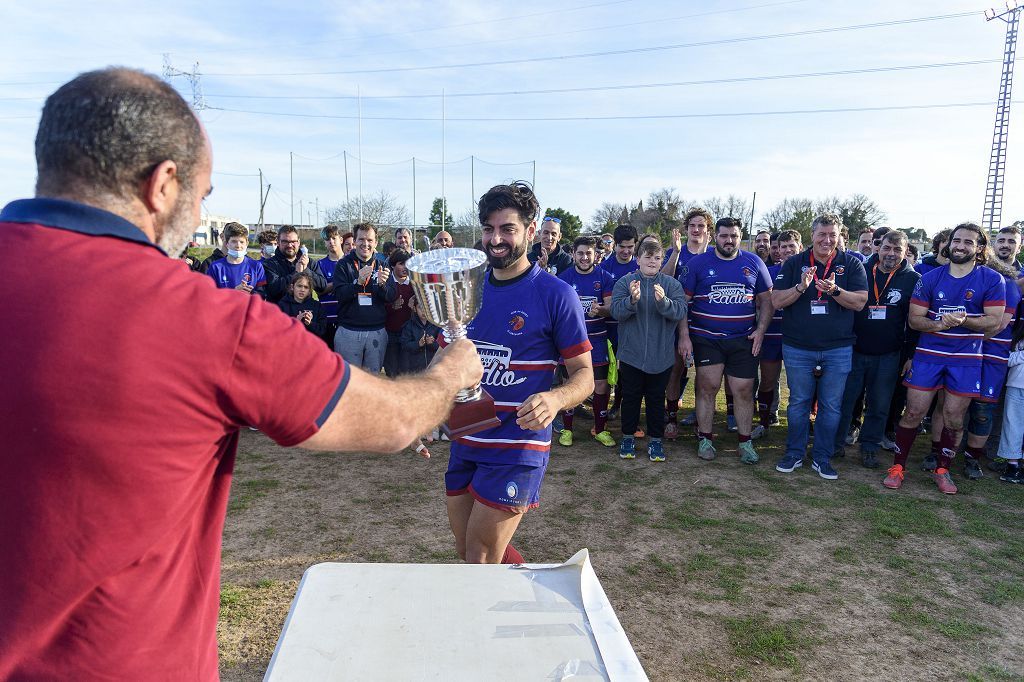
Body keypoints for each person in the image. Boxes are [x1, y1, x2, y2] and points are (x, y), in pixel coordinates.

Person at [0, 67, 483, 680]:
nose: (201, 209)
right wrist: (446, 378)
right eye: (202, 194)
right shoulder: (203, 320)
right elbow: (387, 423)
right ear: (163, 185)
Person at [444, 182, 593, 565]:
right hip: (467, 437)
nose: (496, 239)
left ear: (530, 231)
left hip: (517, 445)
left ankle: (490, 623)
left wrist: (556, 398)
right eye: (489, 229)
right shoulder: (466, 290)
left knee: (479, 555)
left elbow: (584, 376)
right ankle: (533, 598)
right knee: (467, 551)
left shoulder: (556, 294)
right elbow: (446, 362)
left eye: (507, 229)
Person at [884, 223, 1006, 495]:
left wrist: (964, 320)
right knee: (914, 411)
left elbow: (994, 322)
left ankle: (943, 469)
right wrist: (940, 324)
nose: (960, 246)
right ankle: (897, 467)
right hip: (929, 355)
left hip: (966, 357)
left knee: (953, 416)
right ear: (948, 244)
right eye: (956, 240)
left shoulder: (991, 279)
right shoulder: (929, 278)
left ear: (980, 248)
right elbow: (915, 320)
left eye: (968, 242)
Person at [771, 213, 868, 480]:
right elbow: (777, 301)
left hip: (838, 348)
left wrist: (836, 291)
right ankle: (794, 452)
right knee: (799, 402)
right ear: (812, 235)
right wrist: (801, 288)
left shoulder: (851, 264)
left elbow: (860, 302)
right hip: (798, 346)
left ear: (840, 236)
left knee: (831, 405)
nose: (827, 240)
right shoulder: (794, 263)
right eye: (822, 234)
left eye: (832, 235)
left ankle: (823, 456)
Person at [678, 217, 773, 464]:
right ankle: (705, 438)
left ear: (740, 237)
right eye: (724, 236)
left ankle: (745, 442)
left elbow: (767, 301)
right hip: (706, 338)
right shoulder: (698, 263)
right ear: (714, 236)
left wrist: (761, 330)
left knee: (743, 390)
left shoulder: (753, 262)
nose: (729, 240)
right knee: (707, 386)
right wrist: (685, 336)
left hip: (743, 339)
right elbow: (682, 304)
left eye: (734, 236)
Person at [833, 231, 920, 469]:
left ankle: (869, 447)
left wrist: (910, 354)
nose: (891, 254)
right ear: (878, 248)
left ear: (905, 253)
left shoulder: (912, 280)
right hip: (854, 349)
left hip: (889, 354)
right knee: (846, 400)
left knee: (880, 404)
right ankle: (836, 443)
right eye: (887, 248)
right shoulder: (859, 269)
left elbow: (914, 322)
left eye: (897, 250)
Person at [611, 236, 687, 462]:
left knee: (655, 399)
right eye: (647, 257)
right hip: (631, 355)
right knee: (631, 397)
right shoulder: (625, 283)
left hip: (661, 356)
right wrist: (631, 302)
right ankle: (628, 436)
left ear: (662, 260)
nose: (652, 261)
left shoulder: (671, 285)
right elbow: (616, 312)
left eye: (657, 258)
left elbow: (680, 312)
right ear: (638, 259)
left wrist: (664, 302)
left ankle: (656, 440)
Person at [557, 236, 617, 448]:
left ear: (596, 255)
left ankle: (600, 429)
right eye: (580, 253)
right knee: (569, 384)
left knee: (601, 385)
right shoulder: (564, 278)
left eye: (588, 253)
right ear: (573, 254)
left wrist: (601, 309)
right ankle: (567, 429)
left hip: (598, 339)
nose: (584, 257)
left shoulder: (605, 277)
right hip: (572, 341)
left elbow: (610, 307)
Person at [662, 207, 714, 438]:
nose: (696, 229)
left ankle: (699, 417)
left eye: (701, 225)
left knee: (704, 374)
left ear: (708, 229)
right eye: (692, 225)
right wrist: (675, 252)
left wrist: (704, 252)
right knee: (675, 369)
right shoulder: (677, 251)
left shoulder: (714, 253)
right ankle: (671, 415)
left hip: (704, 321)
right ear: (685, 229)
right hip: (675, 320)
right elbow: (662, 279)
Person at [332, 222, 395, 374]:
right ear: (355, 240)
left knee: (372, 383)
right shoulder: (343, 265)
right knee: (348, 382)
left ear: (376, 242)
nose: (365, 244)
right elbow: (339, 294)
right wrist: (358, 283)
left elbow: (391, 296)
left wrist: (382, 285)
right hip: (349, 331)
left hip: (376, 332)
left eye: (370, 240)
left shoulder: (383, 265)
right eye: (361, 239)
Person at [758, 230, 801, 431]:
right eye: (783, 246)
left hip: (799, 338)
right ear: (777, 250)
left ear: (800, 247)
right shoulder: (770, 272)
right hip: (772, 336)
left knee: (799, 385)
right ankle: (764, 421)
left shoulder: (809, 274)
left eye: (792, 245)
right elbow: (759, 301)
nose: (787, 250)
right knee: (768, 380)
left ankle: (799, 424)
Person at [599, 224, 640, 420]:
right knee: (608, 369)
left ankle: (619, 405)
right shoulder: (604, 267)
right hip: (609, 328)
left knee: (627, 371)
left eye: (630, 247)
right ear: (614, 245)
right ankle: (603, 407)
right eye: (622, 246)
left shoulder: (640, 267)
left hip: (633, 328)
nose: (625, 251)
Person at [995, 301, 1024, 483]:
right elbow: (1006, 360)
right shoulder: (1019, 337)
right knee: (1012, 425)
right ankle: (1012, 465)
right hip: (1016, 386)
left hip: (1016, 385)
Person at [264, 225, 326, 303]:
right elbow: (274, 290)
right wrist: (296, 273)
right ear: (278, 242)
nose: (289, 245)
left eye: (293, 241)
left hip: (305, 312)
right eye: (285, 241)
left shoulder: (309, 262)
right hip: (279, 313)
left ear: (298, 242)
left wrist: (306, 270)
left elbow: (322, 286)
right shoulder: (269, 264)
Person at [205, 222, 267, 298]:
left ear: (247, 243)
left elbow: (263, 294)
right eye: (234, 241)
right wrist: (234, 293)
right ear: (227, 244)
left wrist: (251, 294)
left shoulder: (256, 266)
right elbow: (209, 295)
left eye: (241, 242)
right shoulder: (215, 267)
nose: (238, 246)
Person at [383, 248, 415, 377]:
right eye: (401, 263)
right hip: (391, 333)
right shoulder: (386, 283)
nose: (405, 267)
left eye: (407, 264)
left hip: (409, 333)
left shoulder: (414, 284)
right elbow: (379, 308)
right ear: (392, 265)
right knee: (392, 371)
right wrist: (392, 306)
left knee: (407, 372)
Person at [314, 225, 345, 345]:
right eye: (328, 239)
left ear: (341, 240)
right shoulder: (319, 264)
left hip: (347, 320)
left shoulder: (351, 262)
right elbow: (320, 291)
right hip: (327, 319)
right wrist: (339, 282)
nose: (331, 242)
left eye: (334, 238)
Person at [400, 295, 442, 373]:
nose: (424, 311)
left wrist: (432, 343)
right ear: (415, 309)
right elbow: (404, 345)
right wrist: (418, 344)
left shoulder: (436, 325)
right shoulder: (409, 326)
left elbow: (441, 347)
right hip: (414, 368)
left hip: (432, 368)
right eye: (420, 308)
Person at [277, 271, 326, 337]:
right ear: (292, 287)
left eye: (306, 287)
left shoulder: (316, 306)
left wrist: (310, 323)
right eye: (299, 286)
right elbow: (278, 331)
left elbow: (322, 331)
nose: (302, 290)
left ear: (309, 291)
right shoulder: (282, 306)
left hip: (310, 344)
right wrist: (296, 322)